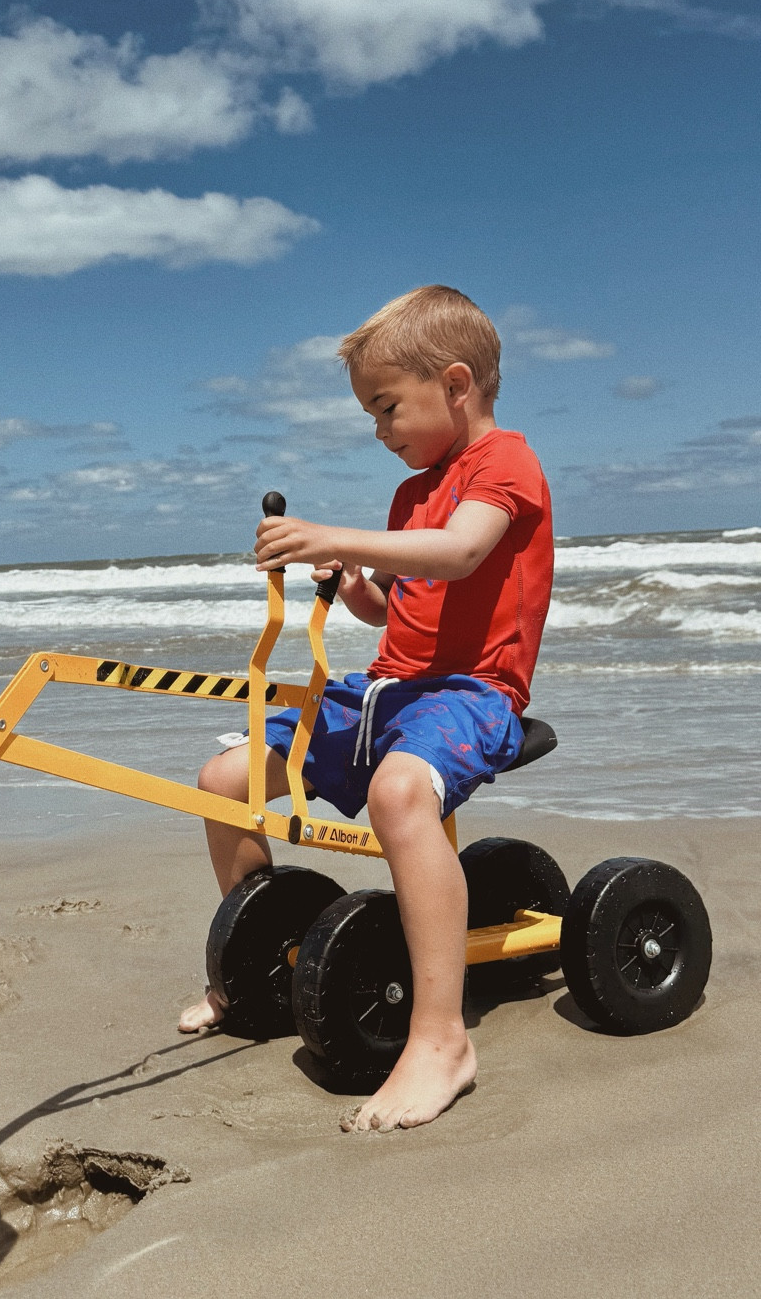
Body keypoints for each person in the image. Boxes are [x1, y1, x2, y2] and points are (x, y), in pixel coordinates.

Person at [178, 285, 553, 1135]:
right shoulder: (412, 492)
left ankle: (441, 1038)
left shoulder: (506, 466)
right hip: (385, 690)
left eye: (388, 408)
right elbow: (393, 606)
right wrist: (351, 584)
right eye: (371, 414)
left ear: (456, 383)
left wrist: (336, 538)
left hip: (472, 693)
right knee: (224, 776)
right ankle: (256, 966)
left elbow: (459, 555)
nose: (380, 430)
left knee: (398, 797)